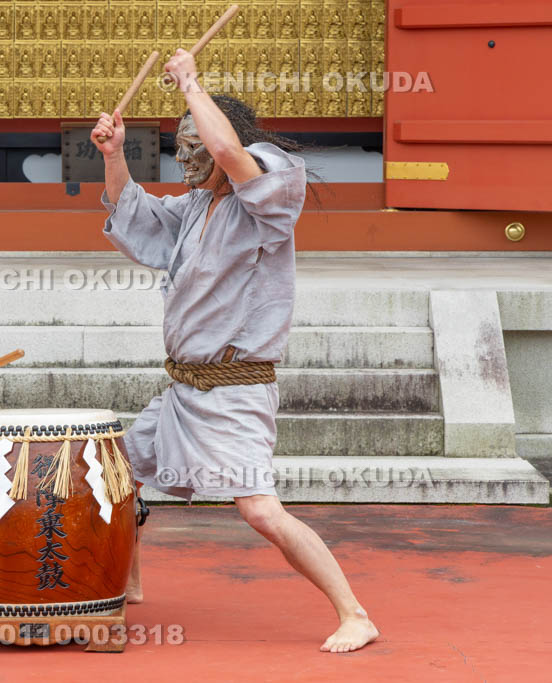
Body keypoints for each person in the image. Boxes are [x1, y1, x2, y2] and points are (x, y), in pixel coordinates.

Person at [90, 49, 379, 654]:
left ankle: (355, 613)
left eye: (195, 140)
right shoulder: (196, 205)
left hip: (235, 388)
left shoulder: (270, 191)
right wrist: (115, 156)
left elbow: (229, 154)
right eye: (178, 143)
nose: (186, 153)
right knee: (118, 475)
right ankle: (128, 583)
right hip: (183, 390)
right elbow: (131, 212)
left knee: (260, 512)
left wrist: (192, 84)